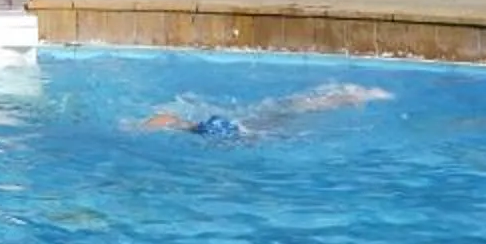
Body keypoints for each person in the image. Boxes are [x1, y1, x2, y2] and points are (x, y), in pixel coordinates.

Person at [140, 81, 387, 138]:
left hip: (239, 128)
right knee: (292, 109)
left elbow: (168, 119)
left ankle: (350, 95)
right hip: (239, 128)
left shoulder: (241, 132)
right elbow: (168, 119)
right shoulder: (242, 132)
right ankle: (350, 95)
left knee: (293, 110)